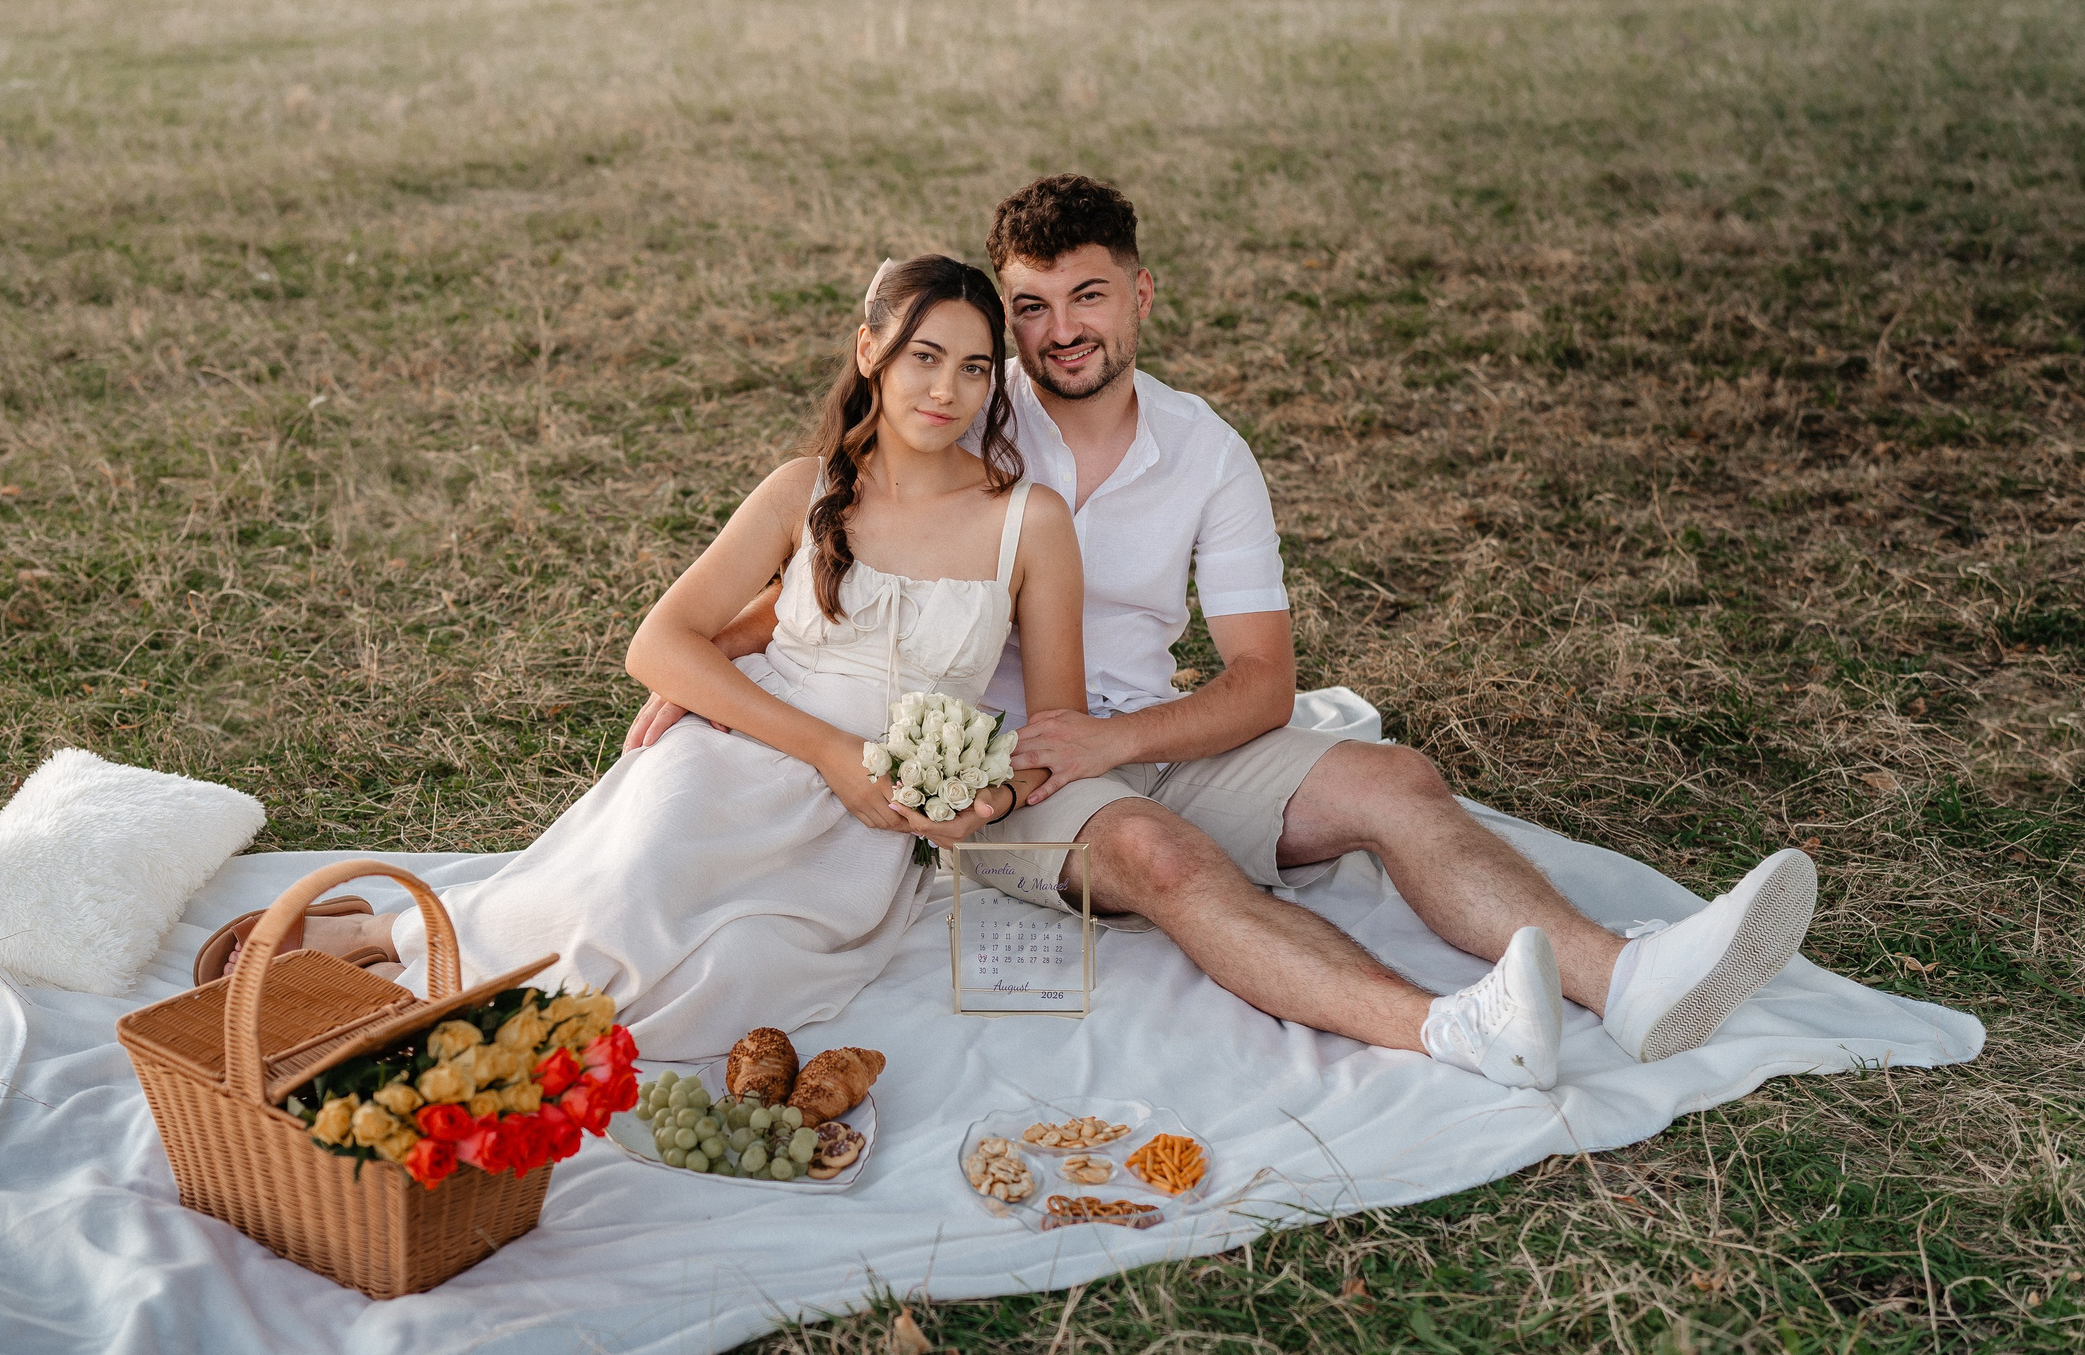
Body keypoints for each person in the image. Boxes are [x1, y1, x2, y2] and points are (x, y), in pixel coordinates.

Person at [628, 177, 1817, 1088]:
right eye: (1031, 308)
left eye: (1087, 295)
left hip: (1147, 734)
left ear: (1140, 295)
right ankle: (1450, 1028)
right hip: (1002, 765)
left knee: (1396, 779)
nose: (1060, 332)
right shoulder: (972, 421)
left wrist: (1119, 737)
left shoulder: (1207, 453)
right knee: (1160, 859)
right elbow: (843, 570)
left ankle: (1630, 979)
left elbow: (1260, 683)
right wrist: (720, 669)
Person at [219, 254, 1088, 1061]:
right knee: (627, 897)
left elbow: (1058, 725)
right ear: (871, 354)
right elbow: (660, 642)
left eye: (974, 368)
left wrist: (986, 800)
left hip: (862, 828)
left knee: (725, 988)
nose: (946, 389)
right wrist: (827, 749)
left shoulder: (1030, 521)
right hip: (749, 751)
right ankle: (389, 942)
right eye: (923, 357)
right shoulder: (807, 488)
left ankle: (440, 995)